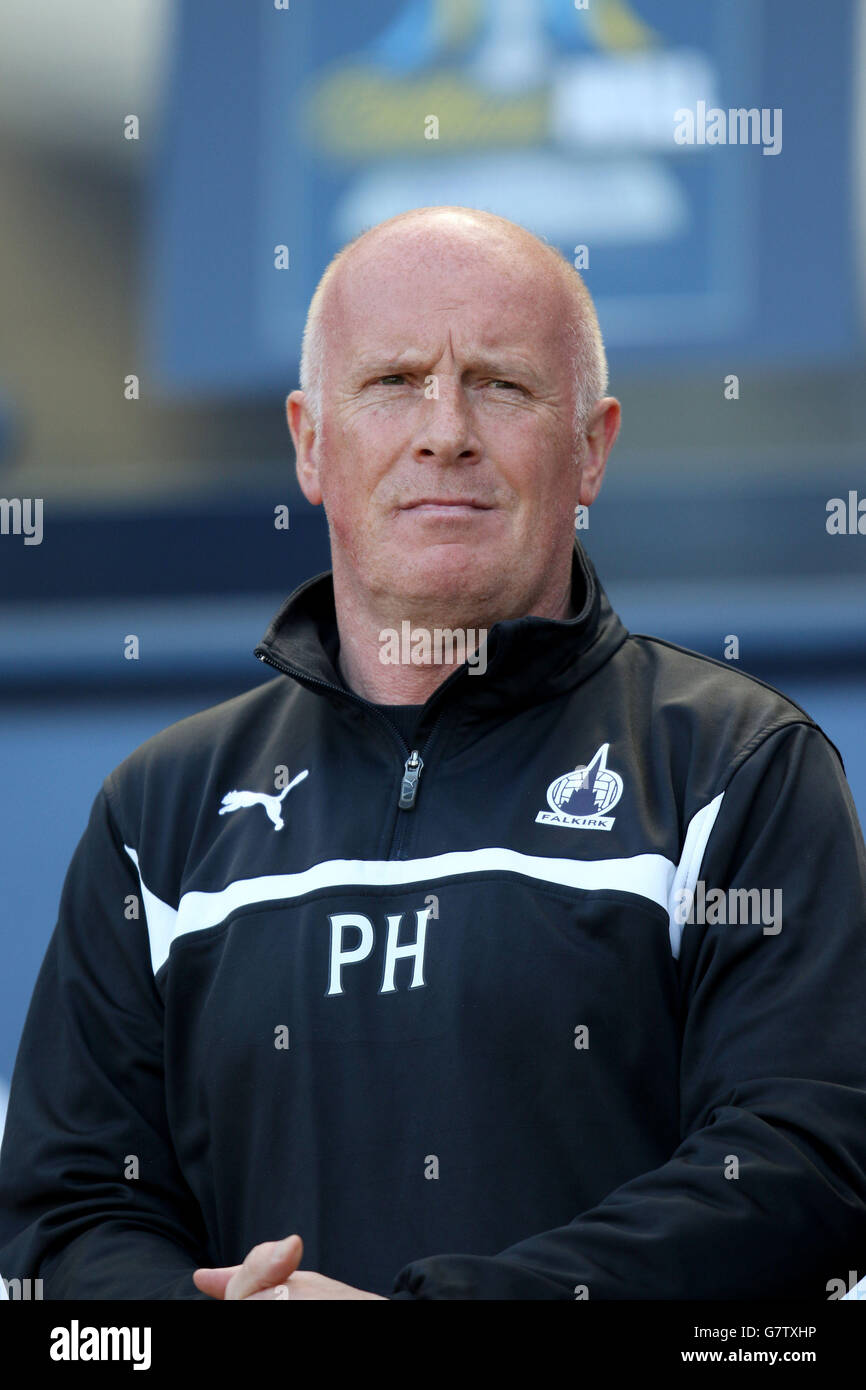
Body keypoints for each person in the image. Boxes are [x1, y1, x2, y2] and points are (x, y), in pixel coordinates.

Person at [1, 205, 866, 1301]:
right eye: (394, 380)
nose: (444, 429)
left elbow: (803, 1171)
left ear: (591, 447)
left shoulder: (737, 769)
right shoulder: (158, 819)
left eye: (500, 384)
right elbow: (65, 1213)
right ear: (309, 442)